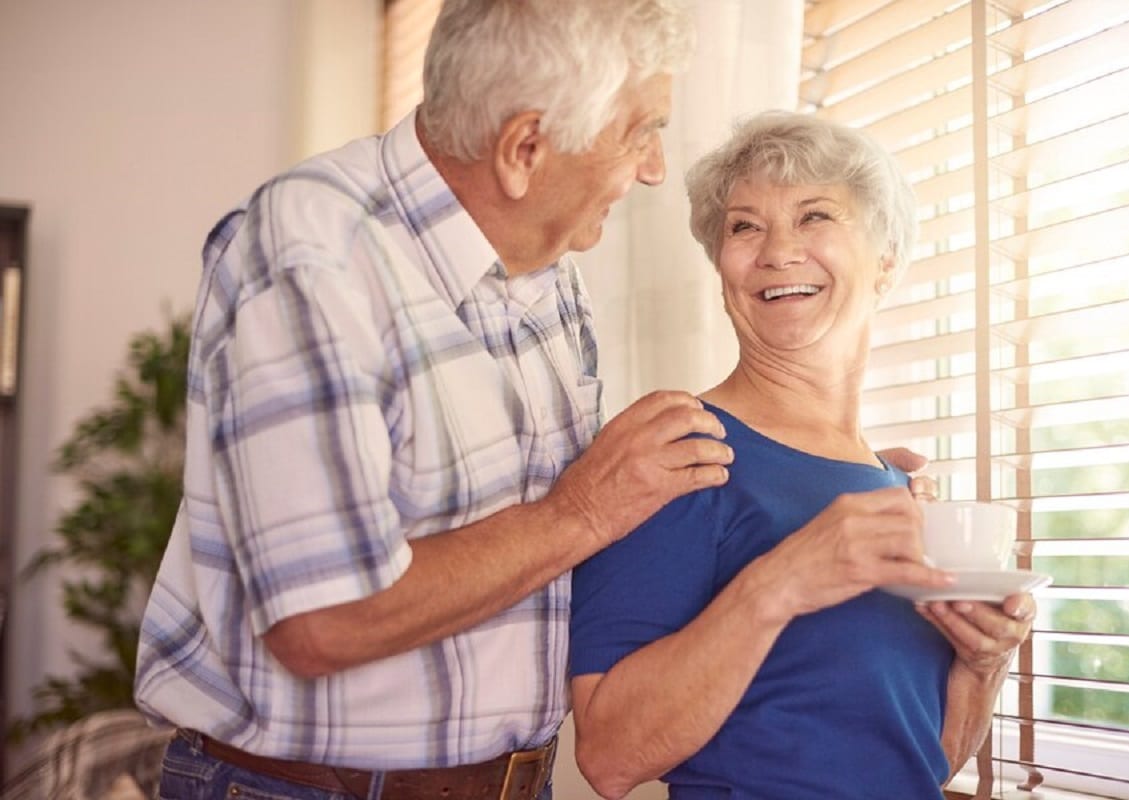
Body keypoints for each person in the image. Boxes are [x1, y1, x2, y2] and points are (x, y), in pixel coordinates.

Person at [133, 3, 738, 800]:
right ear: (525, 148)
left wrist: (814, 488)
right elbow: (323, 621)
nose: (654, 167)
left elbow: (551, 560)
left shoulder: (547, 260)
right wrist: (582, 510)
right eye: (640, 131)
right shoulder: (310, 255)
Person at [568, 111, 1037, 800]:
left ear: (885, 262)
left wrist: (983, 662)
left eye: (815, 216)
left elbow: (922, 763)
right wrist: (778, 583)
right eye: (744, 225)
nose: (776, 251)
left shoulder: (894, 487)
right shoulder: (679, 455)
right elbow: (609, 758)